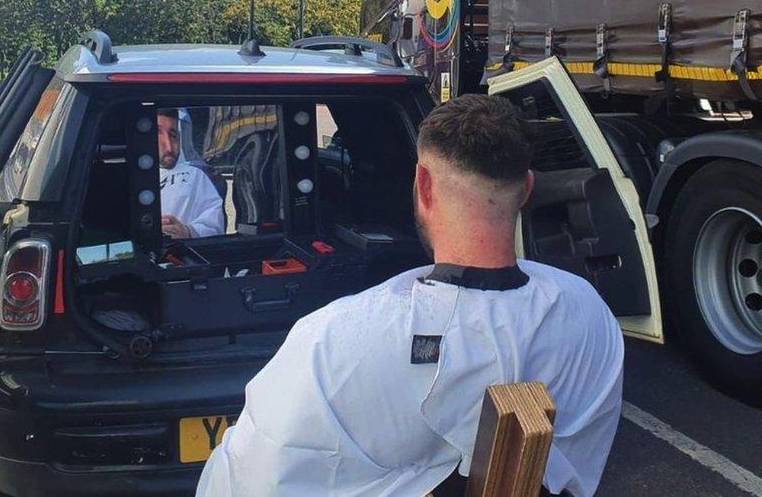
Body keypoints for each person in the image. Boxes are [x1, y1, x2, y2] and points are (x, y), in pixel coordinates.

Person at [196, 95, 624, 497]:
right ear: (527, 189)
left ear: (423, 184)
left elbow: (244, 478)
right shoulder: (587, 315)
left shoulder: (329, 343)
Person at [157, 109, 225, 238]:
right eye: (157, 133)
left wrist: (188, 232)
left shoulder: (196, 175)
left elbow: (215, 226)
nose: (169, 147)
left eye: (173, 135)